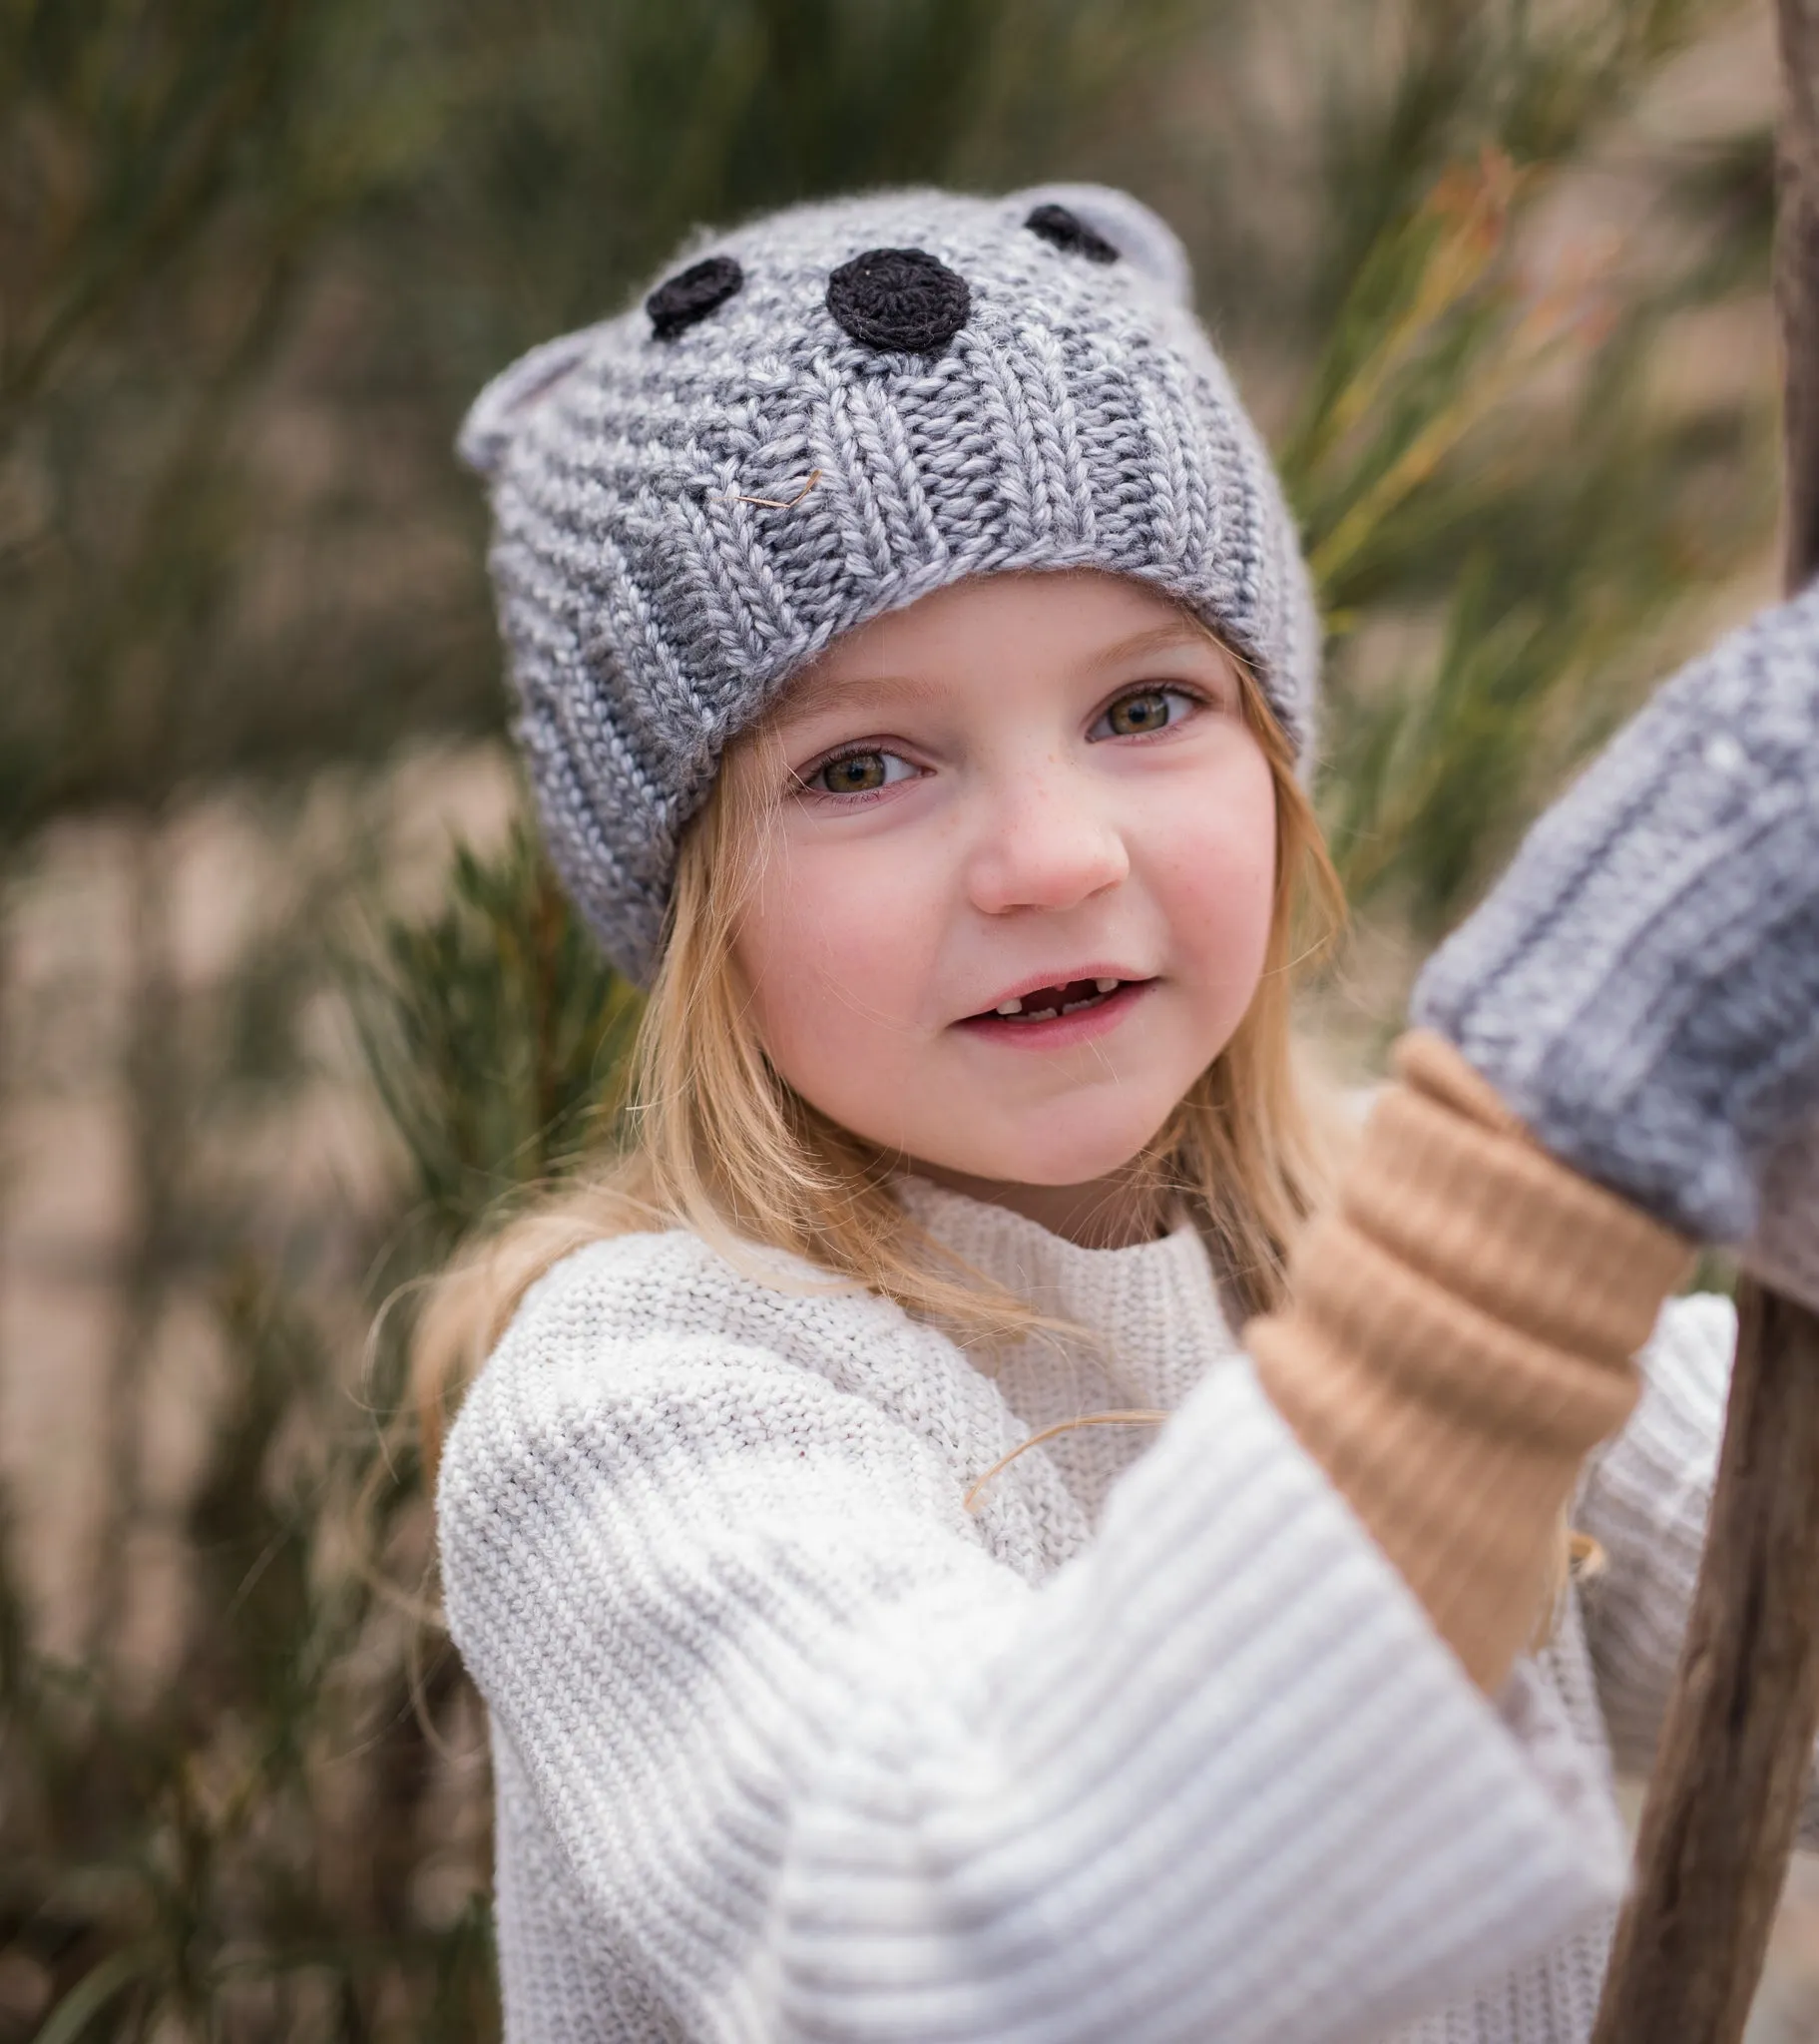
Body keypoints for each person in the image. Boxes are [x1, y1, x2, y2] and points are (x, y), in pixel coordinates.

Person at [422, 184, 1819, 2042]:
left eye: (1146, 706)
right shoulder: (632, 1419)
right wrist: (1539, 1173)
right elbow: (957, 1958)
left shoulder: (1329, 1251)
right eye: (859, 763)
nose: (1052, 857)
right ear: (683, 907)